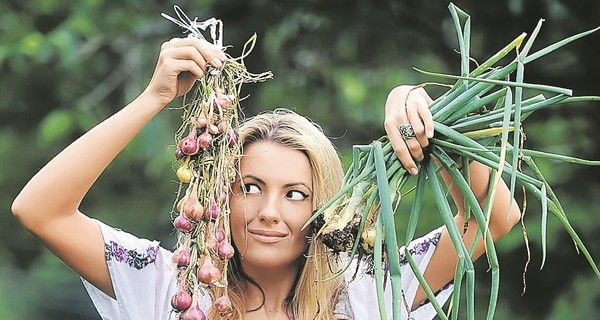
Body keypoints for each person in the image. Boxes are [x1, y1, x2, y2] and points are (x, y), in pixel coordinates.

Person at [12, 36, 520, 319]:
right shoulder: (167, 285)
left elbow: (494, 217)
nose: (268, 212)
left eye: (296, 195)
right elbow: (39, 210)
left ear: (325, 209)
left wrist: (433, 124)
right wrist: (154, 99)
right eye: (249, 188)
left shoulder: (369, 292)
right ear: (218, 196)